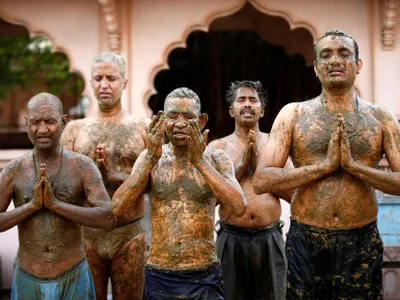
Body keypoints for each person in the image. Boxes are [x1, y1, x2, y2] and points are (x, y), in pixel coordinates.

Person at [253, 29, 400, 299]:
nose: (335, 60)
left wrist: (355, 168)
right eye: (326, 55)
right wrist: (324, 167)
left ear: (358, 65)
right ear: (316, 67)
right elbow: (263, 180)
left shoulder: (382, 118)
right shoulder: (294, 114)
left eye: (344, 54)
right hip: (306, 238)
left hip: (361, 238)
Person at [112, 87, 247, 300]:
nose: (180, 124)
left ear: (202, 121)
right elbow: (117, 208)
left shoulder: (217, 158)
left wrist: (200, 161)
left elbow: (239, 206)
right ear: (163, 120)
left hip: (204, 272)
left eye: (189, 117)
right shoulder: (150, 158)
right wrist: (150, 158)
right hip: (159, 271)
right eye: (173, 116)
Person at [0, 92, 115, 300]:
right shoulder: (14, 169)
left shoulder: (82, 166)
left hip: (73, 274)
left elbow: (107, 218)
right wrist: (31, 206)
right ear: (27, 124)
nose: (42, 129)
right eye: (35, 122)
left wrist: (56, 205)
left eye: (50, 121)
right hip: (28, 276)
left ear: (63, 122)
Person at [61, 52, 149, 300]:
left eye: (111, 78)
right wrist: (92, 179)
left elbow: (157, 183)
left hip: (129, 232)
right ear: (90, 82)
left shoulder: (142, 127)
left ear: (124, 83)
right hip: (87, 235)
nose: (104, 85)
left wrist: (115, 175)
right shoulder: (75, 130)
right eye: (98, 78)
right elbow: (64, 186)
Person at [209, 80, 292, 300]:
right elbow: (209, 199)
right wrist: (240, 168)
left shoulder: (277, 146)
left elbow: (295, 195)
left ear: (262, 110)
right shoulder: (217, 148)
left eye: (253, 100)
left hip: (269, 237)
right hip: (230, 238)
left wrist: (261, 175)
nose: (247, 104)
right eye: (241, 99)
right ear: (231, 110)